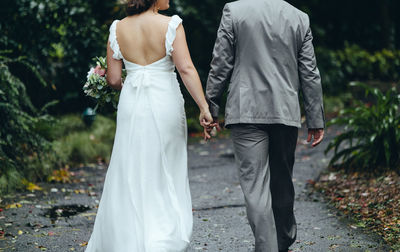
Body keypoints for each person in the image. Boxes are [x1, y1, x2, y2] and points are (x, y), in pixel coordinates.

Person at [85, 0, 213, 251]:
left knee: (130, 165)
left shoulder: (117, 28)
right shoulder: (171, 24)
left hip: (132, 102)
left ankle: (129, 238)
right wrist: (203, 107)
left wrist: (132, 81)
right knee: (166, 165)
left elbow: (112, 79)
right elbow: (185, 68)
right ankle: (162, 237)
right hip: (165, 101)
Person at [205, 0, 325, 251]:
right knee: (282, 179)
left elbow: (221, 63)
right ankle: (281, 241)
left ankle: (268, 246)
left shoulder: (234, 11)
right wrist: (315, 118)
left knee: (255, 186)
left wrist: (211, 105)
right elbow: (310, 72)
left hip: (246, 111)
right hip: (284, 111)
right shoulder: (298, 17)